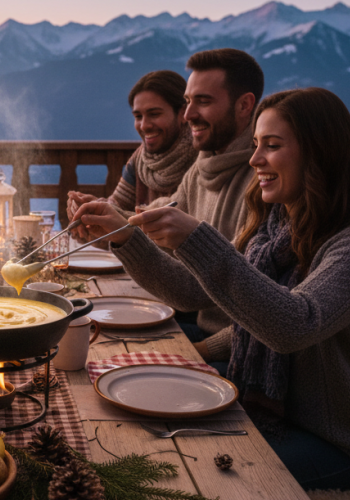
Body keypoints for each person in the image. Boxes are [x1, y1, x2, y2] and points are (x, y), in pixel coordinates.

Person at [73, 87, 350, 490]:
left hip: (340, 441)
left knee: (175, 464)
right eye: (255, 144)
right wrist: (125, 238)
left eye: (272, 145)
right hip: (273, 401)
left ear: (319, 153)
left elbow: (294, 326)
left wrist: (196, 239)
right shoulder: (274, 225)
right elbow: (191, 293)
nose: (255, 160)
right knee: (131, 411)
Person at [73, 48, 264, 343]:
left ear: (244, 105)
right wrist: (111, 219)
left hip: (231, 347)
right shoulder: (203, 166)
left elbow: (251, 306)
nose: (188, 115)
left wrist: (203, 352)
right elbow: (160, 214)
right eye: (188, 102)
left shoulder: (263, 181)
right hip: (201, 326)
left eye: (203, 101)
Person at [66, 70, 197, 217]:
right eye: (138, 116)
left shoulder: (202, 158)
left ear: (183, 113)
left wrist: (109, 215)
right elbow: (118, 205)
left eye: (154, 114)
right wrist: (96, 209)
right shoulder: (140, 161)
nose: (144, 125)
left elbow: (175, 224)